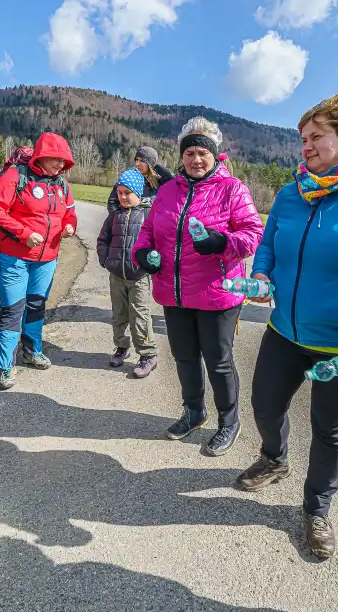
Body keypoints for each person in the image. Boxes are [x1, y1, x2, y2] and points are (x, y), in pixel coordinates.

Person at [234, 93, 338, 559]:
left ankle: (317, 509)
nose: (306, 147)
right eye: (303, 139)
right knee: (263, 402)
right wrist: (261, 274)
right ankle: (274, 459)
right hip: (283, 330)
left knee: (331, 429)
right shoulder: (291, 191)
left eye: (316, 137)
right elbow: (268, 245)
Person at [133, 117, 263, 456]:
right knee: (184, 357)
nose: (196, 159)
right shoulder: (167, 190)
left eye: (203, 152)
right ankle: (193, 411)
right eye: (189, 152)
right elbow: (148, 232)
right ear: (181, 155)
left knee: (218, 361)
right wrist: (143, 253)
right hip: (174, 292)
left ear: (214, 155)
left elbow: (252, 235)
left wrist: (222, 242)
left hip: (217, 293)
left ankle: (229, 422)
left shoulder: (232, 188)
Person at [0, 132, 77, 390]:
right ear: (41, 157)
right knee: (13, 309)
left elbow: (70, 214)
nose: (60, 165)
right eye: (55, 160)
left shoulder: (62, 184)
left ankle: (32, 351)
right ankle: (6, 366)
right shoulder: (16, 176)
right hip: (16, 256)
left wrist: (70, 227)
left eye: (64, 161)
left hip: (47, 258)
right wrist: (23, 233)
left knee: (36, 305)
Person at [97, 168, 159, 377]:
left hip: (139, 277)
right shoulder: (114, 216)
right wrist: (105, 260)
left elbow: (158, 246)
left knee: (140, 316)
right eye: (120, 192)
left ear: (138, 193)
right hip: (117, 276)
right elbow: (103, 240)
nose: (122, 196)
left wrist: (152, 264)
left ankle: (148, 354)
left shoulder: (149, 216)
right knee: (119, 315)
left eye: (127, 192)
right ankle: (122, 347)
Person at [106, 146, 175, 213]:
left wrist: (155, 166)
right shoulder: (128, 178)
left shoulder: (159, 181)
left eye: (142, 160)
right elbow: (112, 202)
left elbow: (173, 181)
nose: (137, 163)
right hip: (129, 222)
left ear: (150, 163)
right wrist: (119, 219)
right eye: (136, 160)